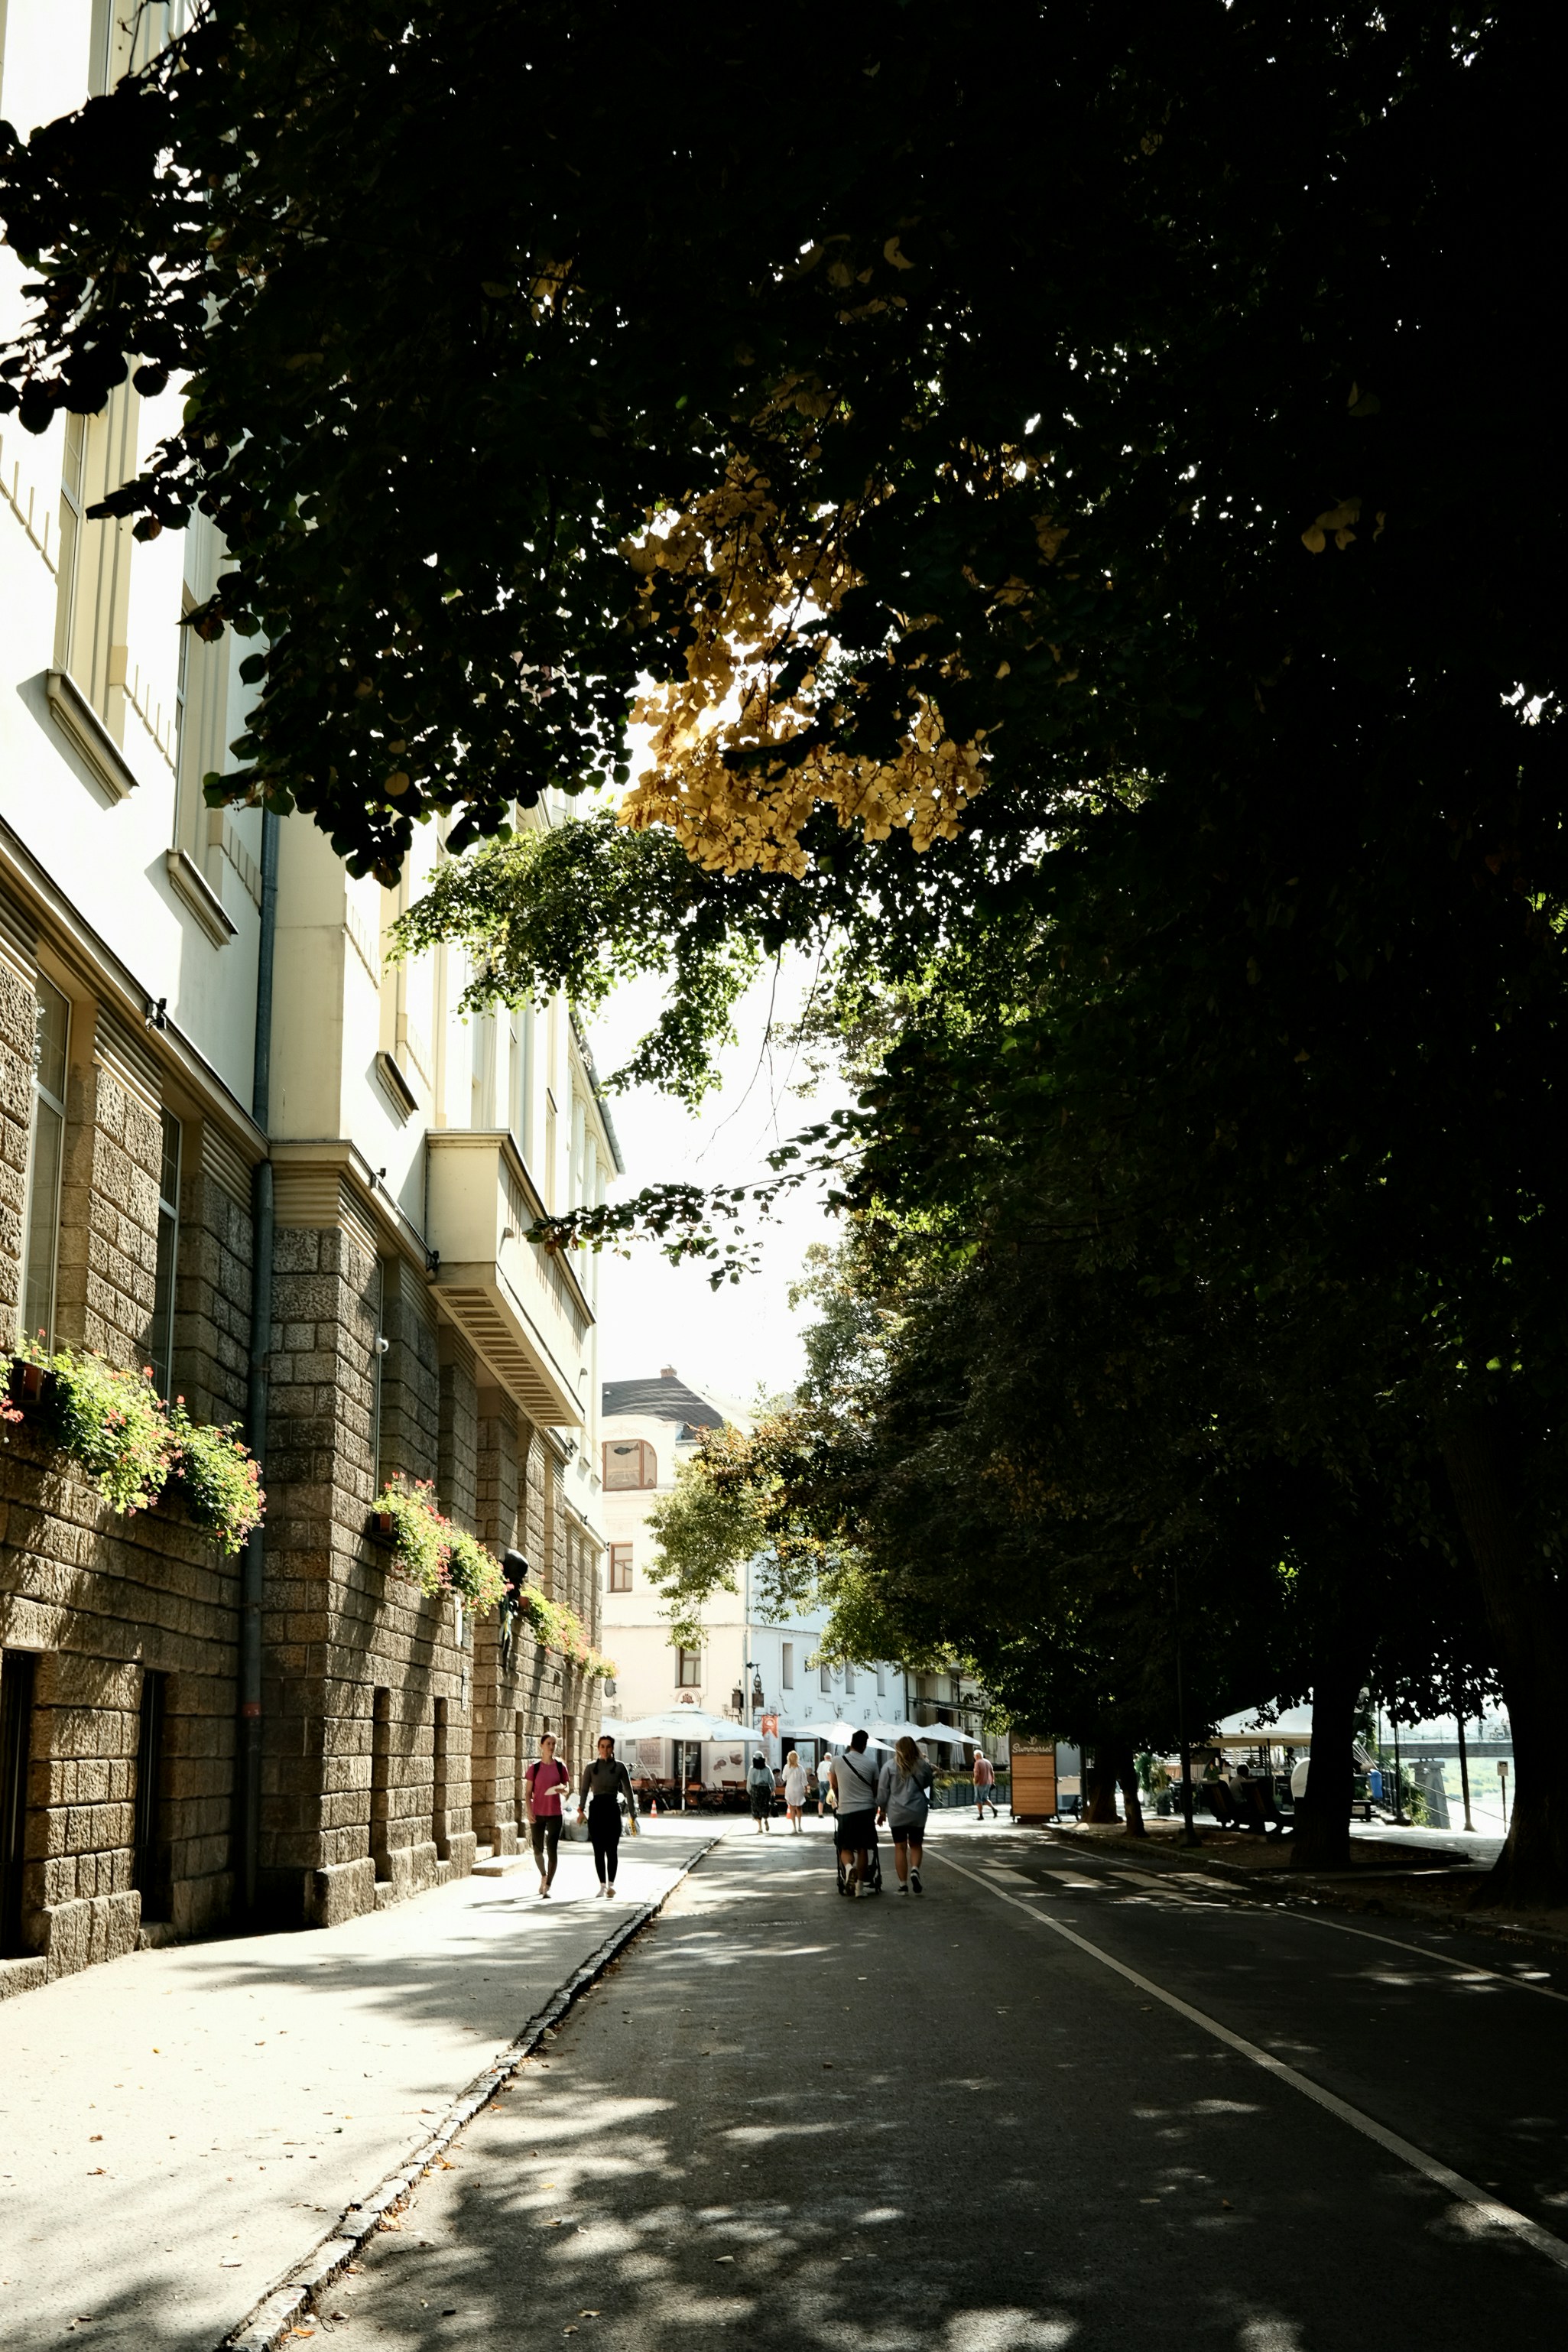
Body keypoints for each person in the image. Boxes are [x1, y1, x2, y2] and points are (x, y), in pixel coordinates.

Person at [577, 1733, 636, 1898]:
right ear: (598, 1748)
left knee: (612, 1849)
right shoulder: (590, 1767)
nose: (605, 1749)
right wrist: (581, 1809)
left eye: (608, 1746)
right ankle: (602, 1885)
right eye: (602, 1746)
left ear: (612, 1748)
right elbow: (584, 1790)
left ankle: (612, 1885)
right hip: (596, 1809)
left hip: (612, 1808)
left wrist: (633, 1812)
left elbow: (628, 1790)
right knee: (598, 1849)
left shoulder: (620, 1767)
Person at [878, 1736, 935, 1894]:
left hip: (897, 1812)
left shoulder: (889, 1766)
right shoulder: (923, 1766)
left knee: (900, 1847)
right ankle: (915, 1870)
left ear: (898, 1749)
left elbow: (883, 1791)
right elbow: (928, 1784)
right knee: (916, 1845)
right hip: (917, 1811)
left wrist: (882, 1810)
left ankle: (903, 1886)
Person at [831, 1729, 881, 1896]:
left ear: (851, 1743)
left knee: (845, 1847)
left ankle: (848, 1868)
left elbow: (834, 1785)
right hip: (866, 1811)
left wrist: (840, 1800)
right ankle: (860, 1888)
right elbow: (875, 1790)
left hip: (846, 1811)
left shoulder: (837, 1761)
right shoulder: (872, 1764)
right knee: (862, 1848)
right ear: (865, 1745)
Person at [523, 1730, 570, 1898]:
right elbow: (528, 1793)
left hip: (555, 1813)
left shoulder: (560, 1766)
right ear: (541, 1745)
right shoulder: (534, 1768)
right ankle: (543, 1874)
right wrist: (529, 1810)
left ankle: (548, 1885)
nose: (551, 1747)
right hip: (537, 1813)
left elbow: (567, 1789)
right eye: (548, 1743)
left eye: (554, 1744)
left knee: (552, 1850)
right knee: (537, 1851)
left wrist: (561, 1789)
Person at [747, 1750, 776, 1832]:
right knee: (765, 1806)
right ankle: (766, 1819)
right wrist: (773, 1789)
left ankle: (760, 1827)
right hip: (765, 1789)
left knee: (756, 1807)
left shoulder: (752, 1769)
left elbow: (749, 1780)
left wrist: (749, 1790)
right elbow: (772, 1780)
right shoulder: (767, 1768)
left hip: (755, 1790)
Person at [783, 1748, 810, 1833]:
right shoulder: (800, 1768)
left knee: (792, 1808)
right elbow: (804, 1781)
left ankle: (794, 1827)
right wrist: (806, 1790)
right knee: (799, 1807)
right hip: (799, 1789)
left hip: (790, 1789)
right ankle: (799, 1826)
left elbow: (784, 1778)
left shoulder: (786, 1767)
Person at [972, 1749, 998, 1819]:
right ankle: (994, 1809)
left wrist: (975, 1782)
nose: (974, 1757)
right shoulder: (988, 1762)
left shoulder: (977, 1763)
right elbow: (992, 1772)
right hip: (988, 1783)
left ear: (977, 1756)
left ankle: (981, 1815)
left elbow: (977, 1774)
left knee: (978, 1799)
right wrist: (992, 1781)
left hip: (980, 1783)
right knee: (985, 1798)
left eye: (974, 1756)